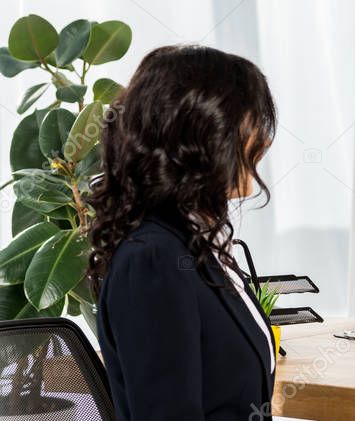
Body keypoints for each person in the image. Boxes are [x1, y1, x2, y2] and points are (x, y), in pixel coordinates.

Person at [87, 45, 278, 420]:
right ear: (197, 136)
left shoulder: (193, 243)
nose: (263, 141)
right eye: (248, 122)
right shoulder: (153, 259)